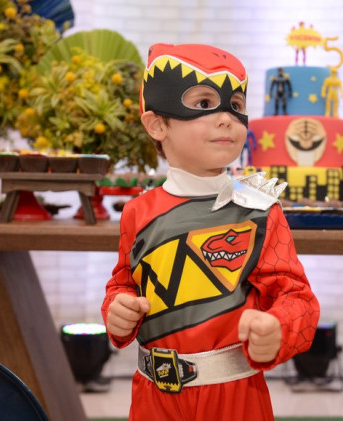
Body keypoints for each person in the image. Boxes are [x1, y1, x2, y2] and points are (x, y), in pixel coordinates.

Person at [101, 43, 320, 421]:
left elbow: (297, 298)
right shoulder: (137, 211)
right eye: (203, 104)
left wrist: (278, 328)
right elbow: (124, 283)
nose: (226, 119)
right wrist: (117, 309)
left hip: (235, 397)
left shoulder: (259, 210)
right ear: (157, 125)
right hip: (152, 398)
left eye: (235, 105)